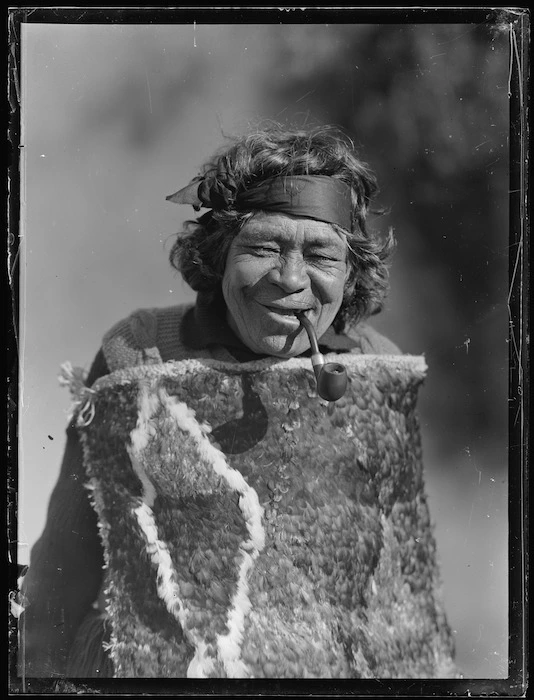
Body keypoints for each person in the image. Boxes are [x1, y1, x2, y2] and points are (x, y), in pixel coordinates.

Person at [19, 124, 451, 679]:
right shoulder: (142, 352)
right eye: (264, 248)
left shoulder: (374, 366)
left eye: (321, 255)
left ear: (350, 274)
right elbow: (65, 566)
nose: (291, 280)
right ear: (220, 254)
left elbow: (400, 589)